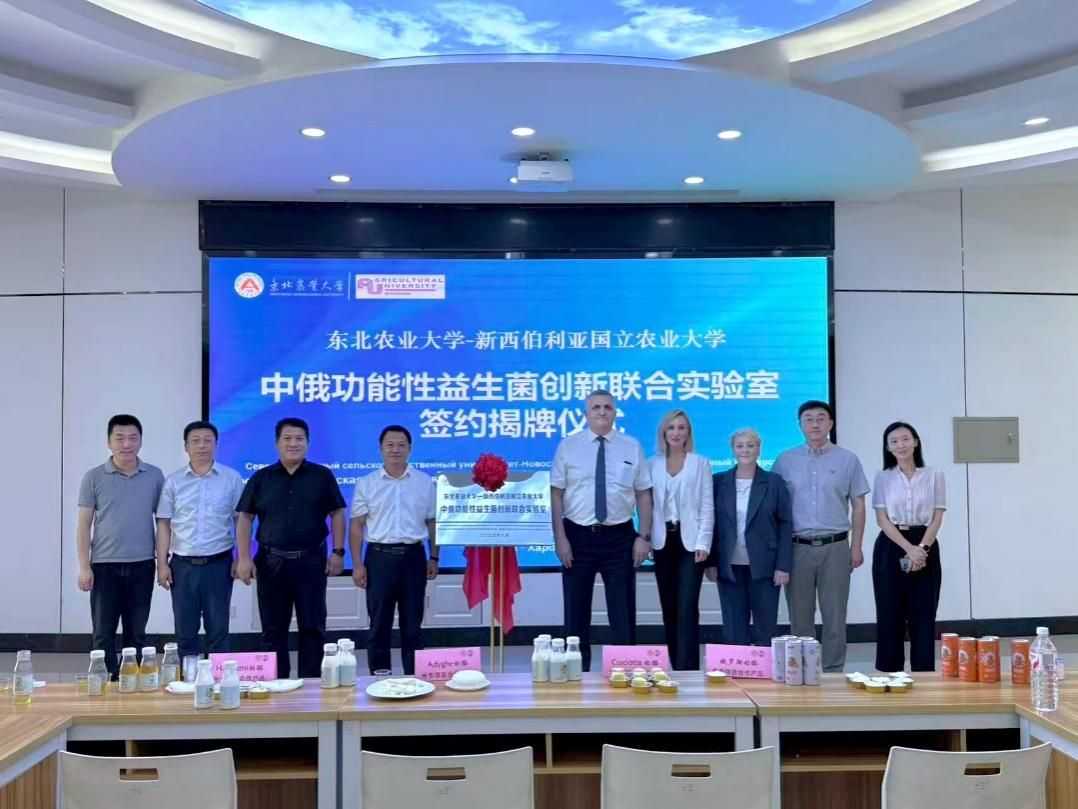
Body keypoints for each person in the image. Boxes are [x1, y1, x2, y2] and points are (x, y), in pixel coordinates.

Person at [234, 418, 346, 679]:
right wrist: (244, 557)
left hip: (311, 561)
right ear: (277, 443)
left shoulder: (322, 476)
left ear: (308, 443)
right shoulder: (261, 478)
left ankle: (312, 686)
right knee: (273, 630)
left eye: (299, 439)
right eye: (287, 438)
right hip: (271, 563)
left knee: (313, 627)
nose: (293, 443)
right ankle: (277, 686)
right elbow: (245, 517)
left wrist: (338, 552)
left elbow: (338, 513)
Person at [551, 390, 653, 672]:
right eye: (596, 407)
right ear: (586, 414)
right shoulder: (568, 447)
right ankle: (575, 672)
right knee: (575, 612)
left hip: (620, 537)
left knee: (622, 611)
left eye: (607, 407)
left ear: (615, 413)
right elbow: (556, 494)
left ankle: (625, 671)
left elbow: (643, 493)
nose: (602, 412)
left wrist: (643, 537)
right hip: (577, 536)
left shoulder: (631, 446)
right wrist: (560, 539)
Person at [773, 400, 869, 672]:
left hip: (835, 546)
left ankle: (833, 670)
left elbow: (858, 505)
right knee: (800, 617)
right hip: (797, 548)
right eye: (808, 419)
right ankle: (803, 670)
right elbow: (775, 507)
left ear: (830, 424)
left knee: (835, 615)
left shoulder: (847, 459)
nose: (815, 424)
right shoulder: (785, 460)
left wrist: (856, 547)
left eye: (820, 418)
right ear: (800, 425)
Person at [77, 414, 164, 679]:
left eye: (133, 438)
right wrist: (84, 566)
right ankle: (105, 685)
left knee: (136, 633)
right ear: (109, 442)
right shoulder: (94, 477)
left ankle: (132, 684)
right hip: (104, 566)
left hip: (143, 565)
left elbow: (162, 522)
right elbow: (84, 524)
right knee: (102, 633)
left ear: (141, 441)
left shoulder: (154, 475)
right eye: (120, 438)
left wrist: (162, 563)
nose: (126, 444)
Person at [349, 425, 438, 675]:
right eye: (390, 445)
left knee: (413, 626)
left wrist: (434, 556)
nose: (395, 449)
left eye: (401, 445)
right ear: (380, 449)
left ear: (410, 448)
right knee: (379, 625)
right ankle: (380, 679)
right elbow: (356, 525)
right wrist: (357, 564)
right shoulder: (367, 483)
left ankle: (414, 679)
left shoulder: (424, 482)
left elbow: (432, 522)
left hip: (413, 558)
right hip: (379, 558)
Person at [155, 420, 244, 662]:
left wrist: (241, 558)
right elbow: (163, 524)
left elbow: (240, 520)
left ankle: (219, 681)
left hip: (219, 564)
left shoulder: (231, 478)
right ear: (186, 447)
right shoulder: (174, 481)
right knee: (185, 633)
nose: (202, 445)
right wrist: (162, 564)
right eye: (195, 441)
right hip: (182, 566)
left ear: (216, 445)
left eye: (207, 440)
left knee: (218, 631)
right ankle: (188, 680)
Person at [706, 427, 793, 646]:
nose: (745, 450)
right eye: (740, 446)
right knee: (734, 627)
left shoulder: (774, 482)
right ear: (733, 450)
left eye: (750, 445)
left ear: (759, 449)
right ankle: (738, 667)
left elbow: (785, 525)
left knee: (766, 627)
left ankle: (766, 667)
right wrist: (711, 562)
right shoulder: (718, 482)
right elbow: (711, 524)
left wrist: (783, 566)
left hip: (765, 565)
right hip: (729, 567)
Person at [871, 422, 945, 672]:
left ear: (915, 442)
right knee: (889, 612)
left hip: (926, 543)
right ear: (888, 448)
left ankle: (923, 674)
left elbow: (937, 517)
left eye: (905, 439)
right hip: (891, 544)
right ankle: (890, 674)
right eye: (894, 441)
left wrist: (921, 549)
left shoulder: (934, 475)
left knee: (923, 613)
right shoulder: (883, 477)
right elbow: (882, 519)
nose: (900, 445)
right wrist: (908, 549)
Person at [646, 409, 713, 670]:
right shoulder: (651, 464)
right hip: (663, 541)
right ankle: (675, 666)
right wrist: (646, 536)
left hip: (691, 543)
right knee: (669, 606)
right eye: (671, 428)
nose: (676, 433)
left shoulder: (700, 463)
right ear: (663, 432)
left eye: (681, 428)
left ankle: (689, 669)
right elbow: (647, 505)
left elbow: (707, 506)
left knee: (687, 606)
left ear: (688, 433)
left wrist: (704, 542)